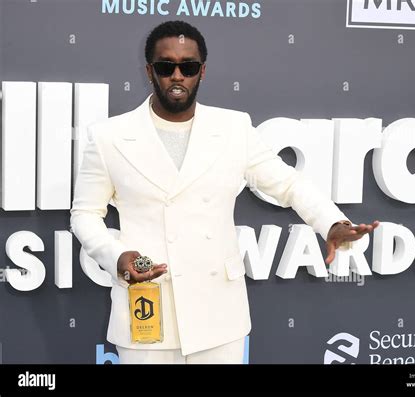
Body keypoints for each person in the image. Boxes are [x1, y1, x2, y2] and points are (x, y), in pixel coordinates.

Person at [70, 20, 379, 364]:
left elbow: (288, 184)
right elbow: (85, 214)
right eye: (165, 66)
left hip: (218, 313)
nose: (177, 75)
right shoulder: (109, 136)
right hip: (147, 308)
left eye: (187, 67)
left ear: (201, 71)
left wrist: (331, 223)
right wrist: (116, 257)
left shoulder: (234, 128)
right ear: (149, 71)